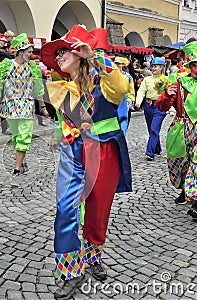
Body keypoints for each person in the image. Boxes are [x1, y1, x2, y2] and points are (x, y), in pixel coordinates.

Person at [40, 25, 131, 299]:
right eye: (56, 55)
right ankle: (69, 271)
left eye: (64, 51)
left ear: (80, 53)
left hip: (104, 151)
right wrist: (58, 136)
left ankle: (92, 257)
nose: (58, 58)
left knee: (98, 211)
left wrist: (95, 57)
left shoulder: (105, 83)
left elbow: (122, 86)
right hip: (74, 153)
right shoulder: (59, 87)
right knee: (66, 211)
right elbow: (67, 122)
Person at [156, 39, 197, 219]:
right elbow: (161, 107)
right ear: (189, 66)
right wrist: (166, 95)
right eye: (194, 65)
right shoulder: (178, 84)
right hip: (180, 129)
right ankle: (186, 190)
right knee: (181, 164)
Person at [0, 33, 46, 184]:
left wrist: (43, 107)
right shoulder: (4, 67)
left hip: (26, 107)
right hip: (10, 107)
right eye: (29, 52)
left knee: (24, 137)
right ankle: (24, 161)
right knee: (16, 137)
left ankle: (16, 168)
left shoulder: (33, 69)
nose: (31, 55)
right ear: (21, 52)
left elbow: (38, 90)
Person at [135, 57, 167, 161]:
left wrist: (172, 109)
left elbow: (171, 95)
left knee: (154, 128)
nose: (153, 68)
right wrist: (138, 101)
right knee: (151, 129)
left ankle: (150, 152)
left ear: (161, 67)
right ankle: (157, 148)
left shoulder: (166, 80)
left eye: (156, 66)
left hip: (160, 107)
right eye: (152, 66)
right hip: (148, 106)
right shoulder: (147, 80)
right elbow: (141, 91)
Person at [114, 56, 135, 133]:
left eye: (119, 64)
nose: (117, 66)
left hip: (125, 104)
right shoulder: (110, 77)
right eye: (115, 64)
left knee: (123, 125)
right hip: (113, 103)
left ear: (123, 65)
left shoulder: (128, 77)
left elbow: (131, 91)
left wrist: (129, 102)